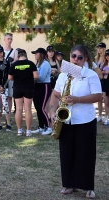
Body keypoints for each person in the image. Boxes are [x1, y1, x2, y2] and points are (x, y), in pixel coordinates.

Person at [49, 45, 101, 199]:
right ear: (70, 57)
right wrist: (52, 111)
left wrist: (77, 100)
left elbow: (97, 96)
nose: (75, 60)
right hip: (66, 120)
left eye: (79, 57)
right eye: (73, 56)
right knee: (66, 153)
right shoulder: (64, 75)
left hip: (85, 120)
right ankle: (69, 184)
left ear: (85, 59)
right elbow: (55, 95)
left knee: (85, 154)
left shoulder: (91, 75)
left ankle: (88, 187)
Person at [9, 49, 38, 136]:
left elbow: (9, 78)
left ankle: (19, 130)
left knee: (18, 109)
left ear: (18, 56)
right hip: (28, 87)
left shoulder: (14, 64)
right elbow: (36, 76)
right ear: (26, 55)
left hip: (17, 88)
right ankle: (28, 131)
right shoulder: (31, 63)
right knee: (28, 109)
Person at [31, 48, 52, 135]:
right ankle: (41, 127)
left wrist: (30, 78)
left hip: (44, 86)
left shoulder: (45, 64)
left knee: (42, 107)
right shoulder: (38, 64)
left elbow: (41, 77)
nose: (35, 55)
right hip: (37, 86)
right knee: (37, 107)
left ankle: (49, 126)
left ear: (41, 54)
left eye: (36, 53)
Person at [3, 33, 18, 114]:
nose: (9, 40)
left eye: (11, 39)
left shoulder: (14, 51)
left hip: (11, 75)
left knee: (10, 96)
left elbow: (15, 61)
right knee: (0, 96)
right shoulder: (0, 50)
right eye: (8, 39)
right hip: (1, 76)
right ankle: (0, 114)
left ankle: (7, 114)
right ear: (4, 39)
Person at [95, 42, 106, 122]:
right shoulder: (96, 58)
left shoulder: (106, 58)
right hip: (98, 79)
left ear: (104, 49)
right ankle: (99, 115)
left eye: (101, 48)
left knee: (105, 99)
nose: (99, 49)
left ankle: (106, 115)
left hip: (105, 79)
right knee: (99, 98)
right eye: (98, 48)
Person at [100, 49, 109, 125]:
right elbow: (100, 73)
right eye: (106, 55)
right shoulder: (104, 64)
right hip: (105, 84)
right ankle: (106, 116)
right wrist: (102, 72)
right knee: (106, 103)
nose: (107, 57)